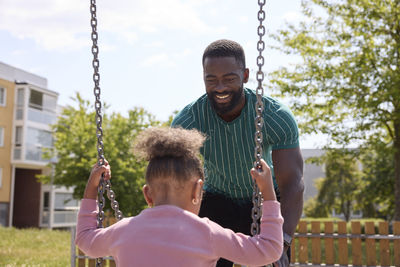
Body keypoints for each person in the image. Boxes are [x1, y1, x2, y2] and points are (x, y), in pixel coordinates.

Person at [171, 39, 304, 267]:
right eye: (211, 80)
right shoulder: (188, 122)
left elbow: (292, 183)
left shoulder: (275, 116)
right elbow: (176, 183)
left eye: (229, 79)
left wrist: (282, 239)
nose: (220, 87)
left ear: (244, 75)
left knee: (274, 259)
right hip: (216, 201)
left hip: (264, 200)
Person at [75, 127, 284, 267]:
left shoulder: (122, 231)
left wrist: (92, 187)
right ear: (197, 191)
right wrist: (267, 192)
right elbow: (270, 249)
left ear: (147, 194)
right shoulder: (207, 233)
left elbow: (84, 239)